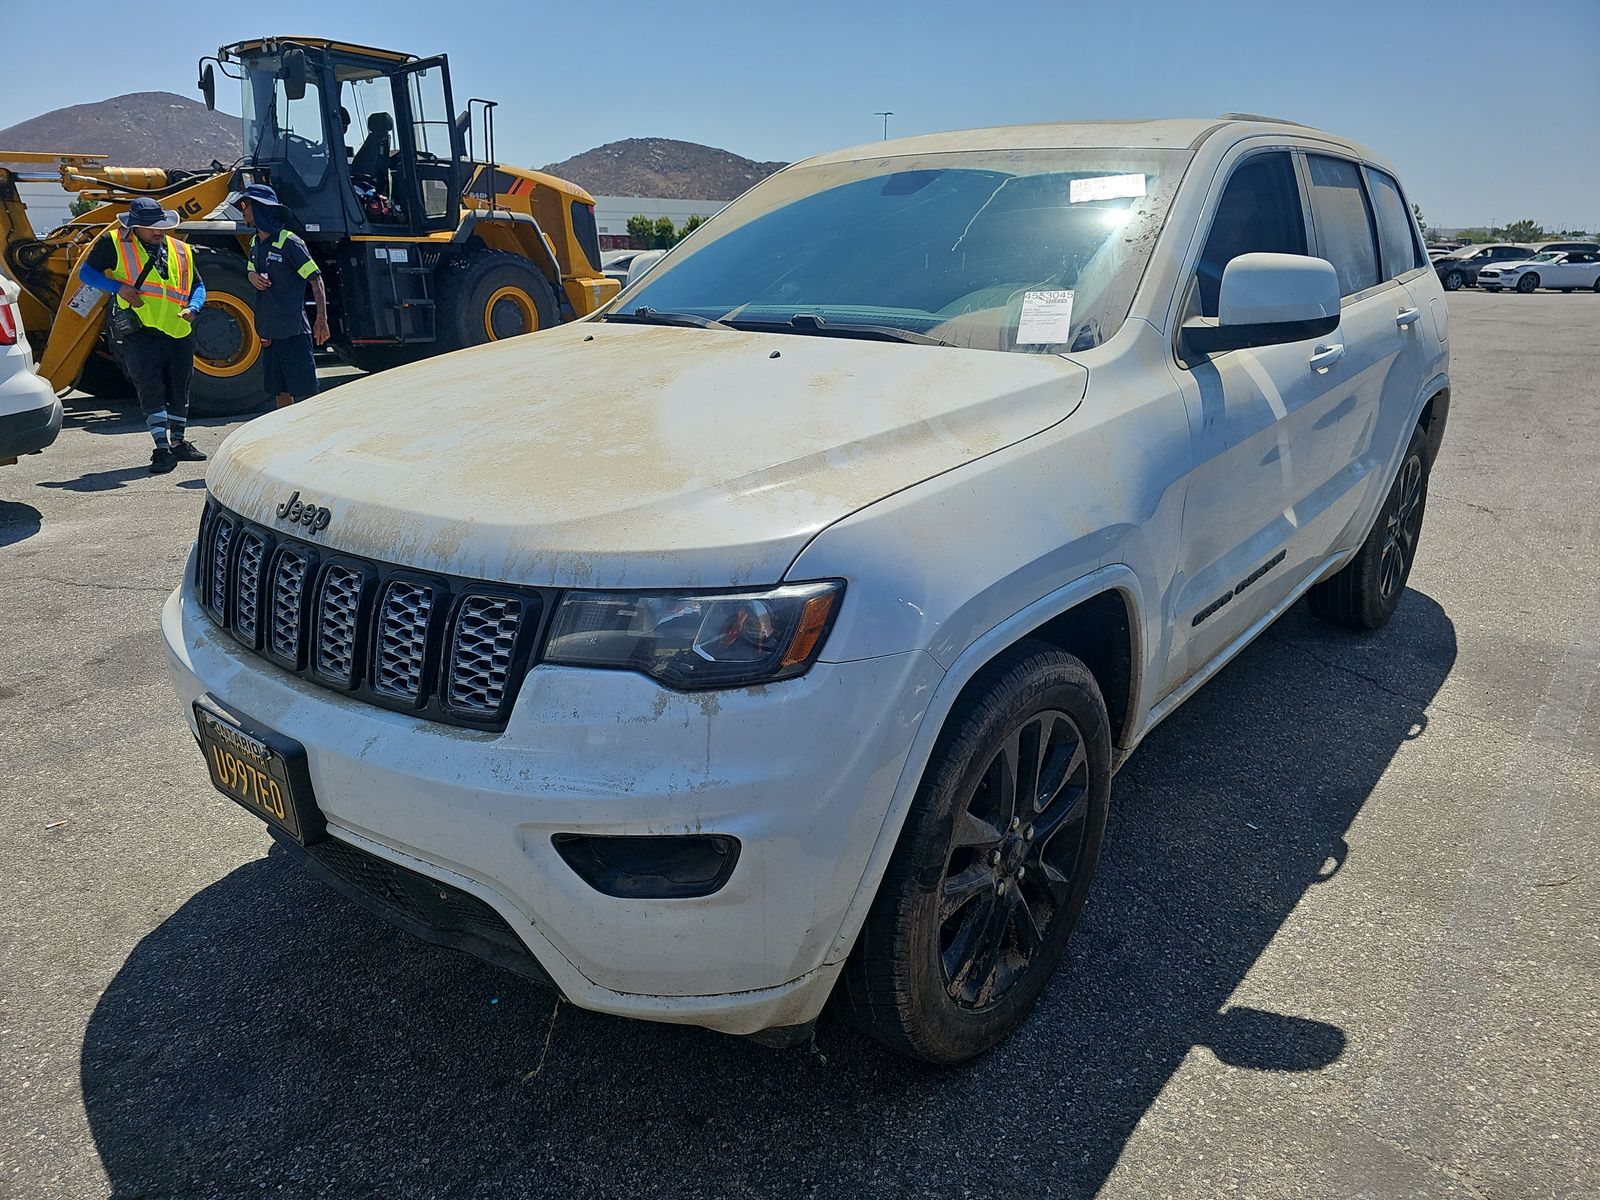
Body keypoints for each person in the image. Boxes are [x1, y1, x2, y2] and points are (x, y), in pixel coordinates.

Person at [77, 196, 207, 474]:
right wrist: (117, 288)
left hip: (178, 329)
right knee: (150, 388)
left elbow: (198, 285)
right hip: (140, 331)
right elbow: (86, 273)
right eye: (150, 227)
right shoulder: (113, 243)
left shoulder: (181, 249)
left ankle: (179, 443)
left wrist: (194, 308)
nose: (158, 231)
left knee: (180, 387)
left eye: (160, 225)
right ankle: (161, 448)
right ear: (134, 226)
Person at [236, 184, 330, 409]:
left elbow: (316, 280)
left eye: (245, 206)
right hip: (269, 332)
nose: (243, 211)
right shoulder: (255, 243)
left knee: (305, 391)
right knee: (279, 390)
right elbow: (250, 269)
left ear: (260, 209)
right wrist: (252, 277)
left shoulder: (290, 242)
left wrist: (321, 319)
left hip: (293, 331)